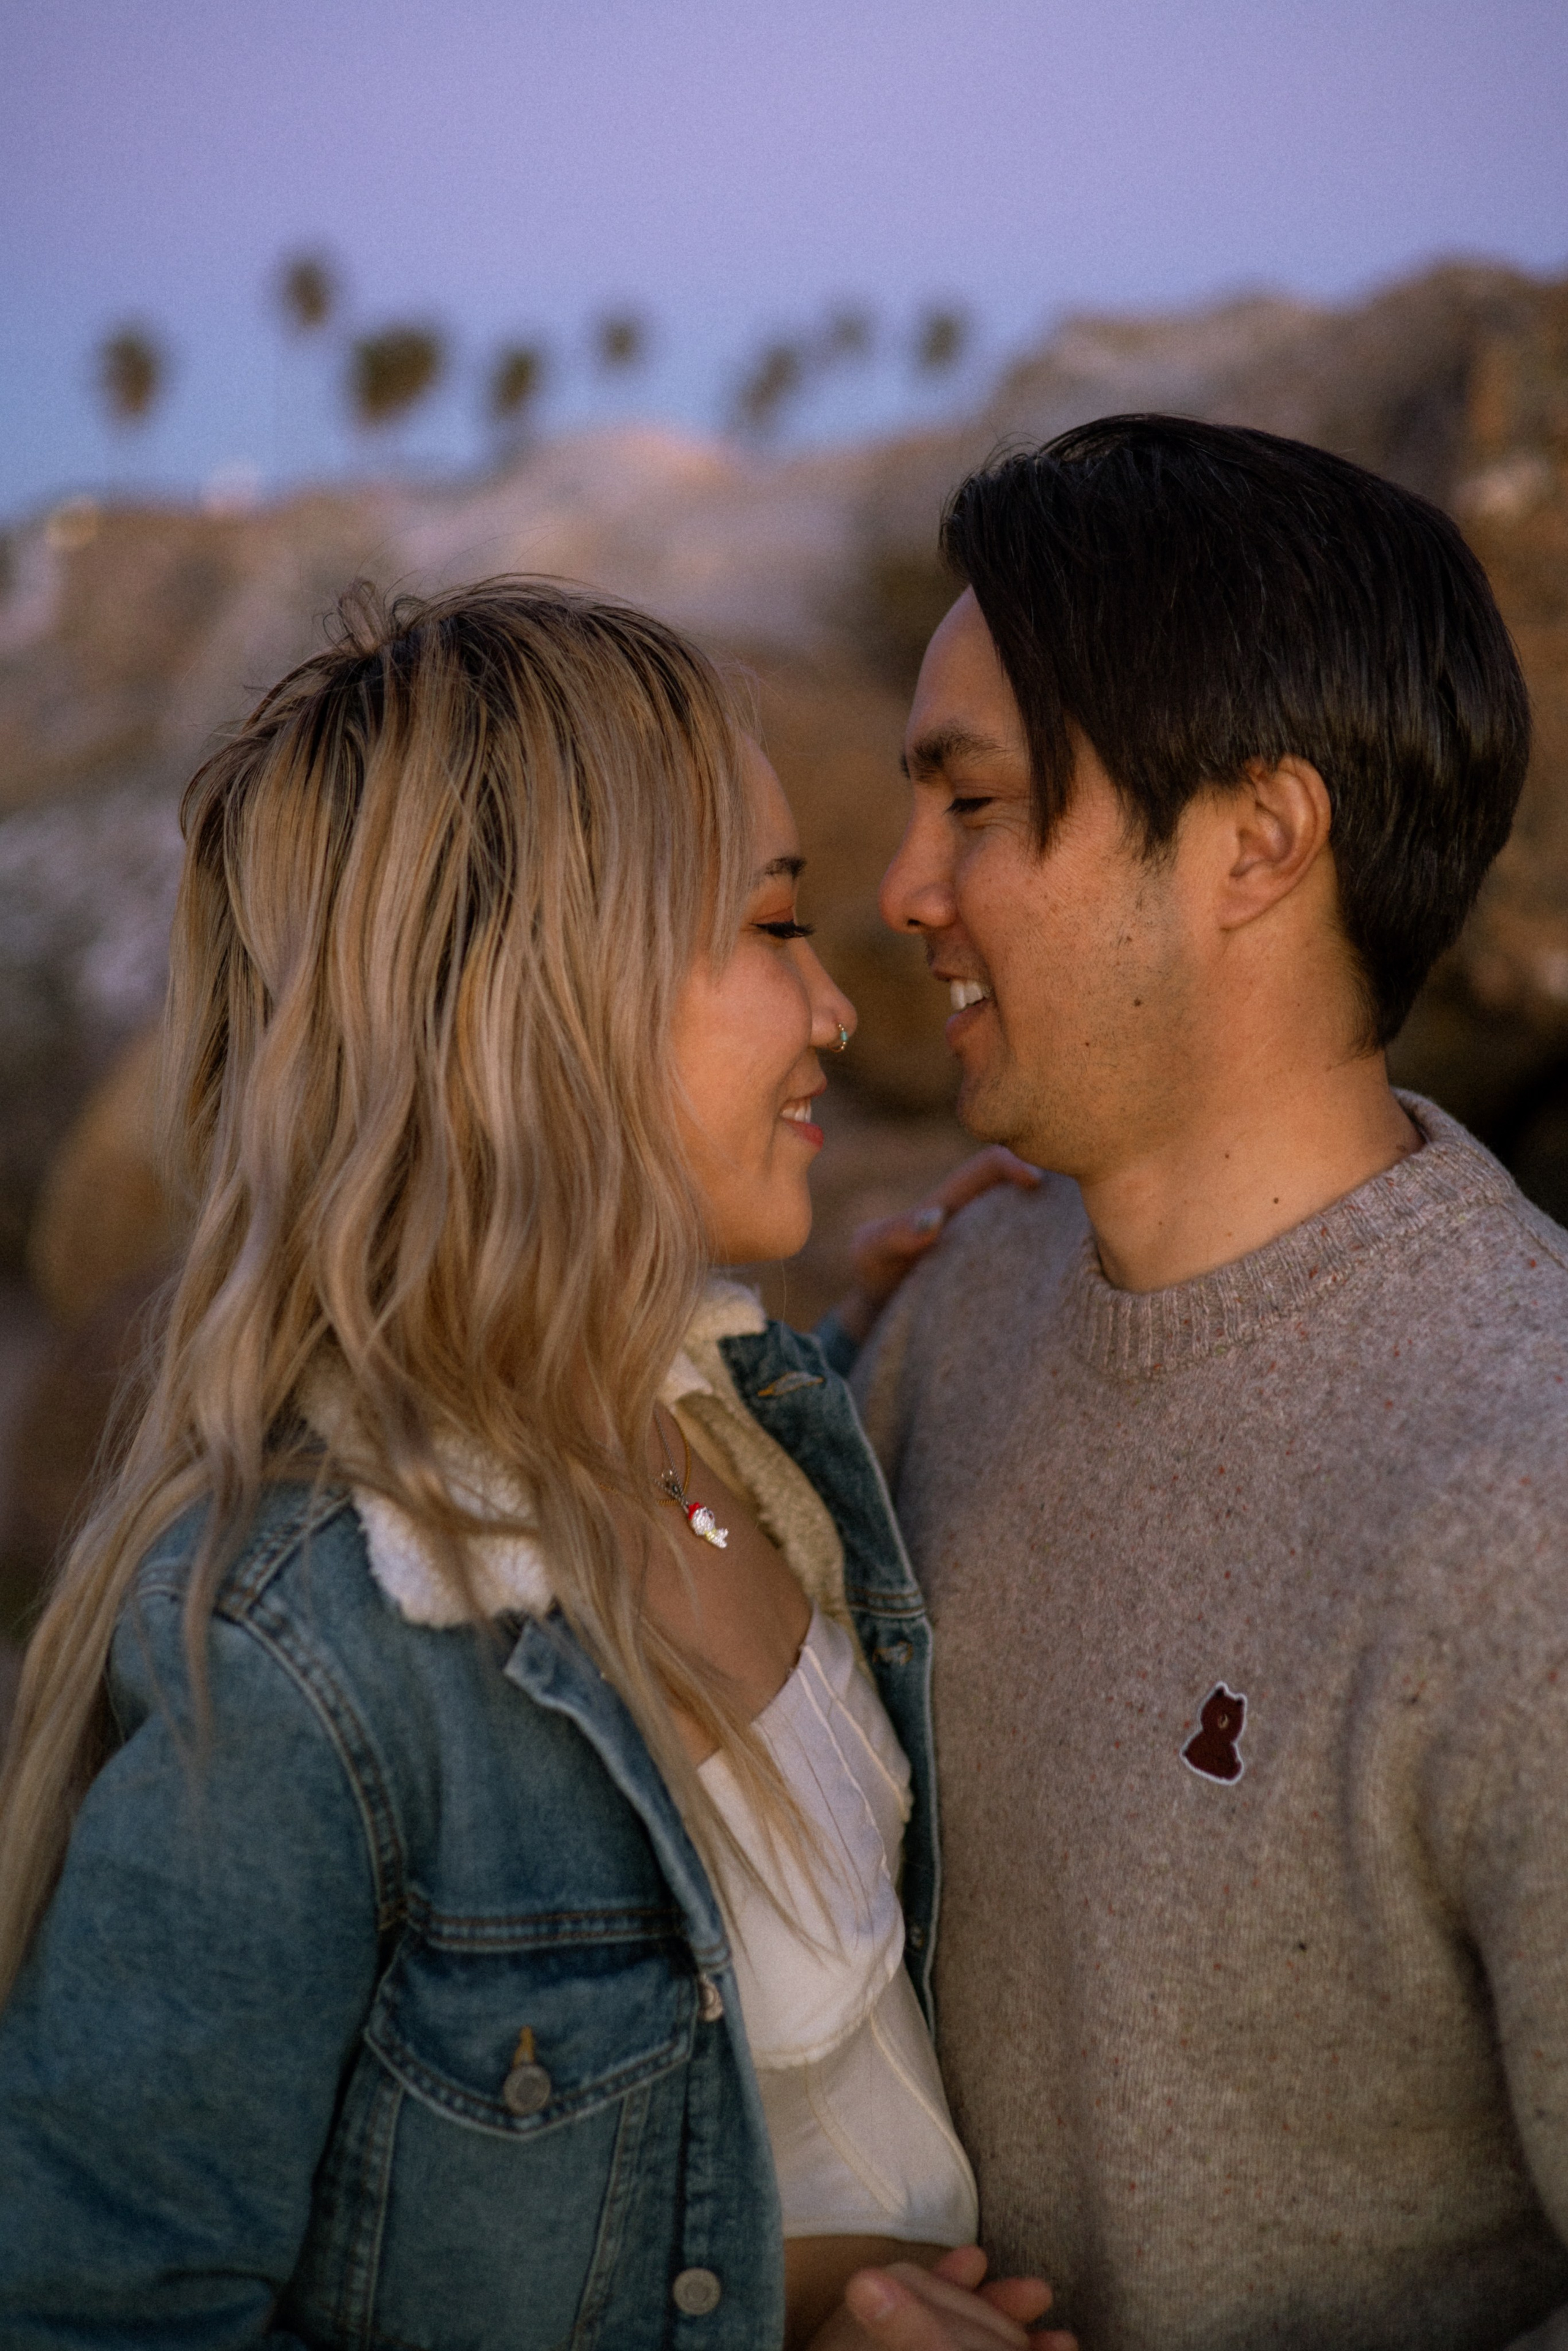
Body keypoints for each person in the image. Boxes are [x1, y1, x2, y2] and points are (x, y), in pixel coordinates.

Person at [0, 583, 1054, 2351]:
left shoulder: (767, 1435)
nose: (836, 1011)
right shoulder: (301, 1662)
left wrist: (944, 1305)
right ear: (545, 999)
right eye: (775, 928)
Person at [839, 416, 1568, 2347]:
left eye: (976, 806)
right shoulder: (948, 1316)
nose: (906, 886)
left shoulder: (1528, 1500)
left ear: (1259, 840)